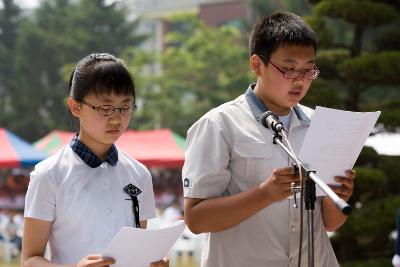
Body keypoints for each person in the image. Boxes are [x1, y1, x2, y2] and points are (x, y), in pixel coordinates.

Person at [182, 12, 356, 267]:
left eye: (308, 70)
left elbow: (329, 222)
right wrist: (264, 194)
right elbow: (196, 219)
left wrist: (338, 196)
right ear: (256, 65)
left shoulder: (321, 125)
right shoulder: (219, 124)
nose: (299, 80)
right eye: (288, 69)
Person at [21, 53, 168, 267]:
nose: (116, 118)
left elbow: (137, 249)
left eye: (125, 107)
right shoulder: (49, 175)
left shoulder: (139, 174)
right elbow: (29, 260)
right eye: (105, 108)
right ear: (75, 107)